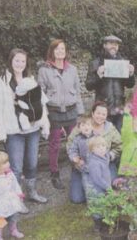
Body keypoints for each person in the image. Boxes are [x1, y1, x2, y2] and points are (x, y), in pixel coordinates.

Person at [0, 48, 50, 209]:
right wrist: (0, 132)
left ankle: (31, 193)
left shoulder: (30, 79)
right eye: (17, 60)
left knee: (32, 163)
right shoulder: (0, 82)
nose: (20, 64)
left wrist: (44, 124)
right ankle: (16, 200)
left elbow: (40, 103)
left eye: (23, 61)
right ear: (11, 61)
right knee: (16, 167)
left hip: (32, 130)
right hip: (13, 132)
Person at [38, 39, 85, 190]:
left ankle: (76, 168)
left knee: (74, 141)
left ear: (66, 51)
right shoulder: (44, 70)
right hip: (54, 111)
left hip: (71, 110)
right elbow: (40, 93)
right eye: (57, 49)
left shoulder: (72, 69)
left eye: (62, 49)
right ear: (52, 51)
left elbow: (77, 91)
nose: (60, 52)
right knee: (55, 144)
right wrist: (43, 115)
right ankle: (54, 173)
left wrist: (81, 111)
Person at [67, 101, 122, 203]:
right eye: (98, 113)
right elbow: (70, 145)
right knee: (77, 198)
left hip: (104, 164)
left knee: (112, 186)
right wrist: (77, 160)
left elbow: (119, 146)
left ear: (106, 116)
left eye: (103, 114)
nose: (100, 116)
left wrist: (109, 156)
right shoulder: (83, 126)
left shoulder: (109, 128)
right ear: (92, 113)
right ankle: (87, 186)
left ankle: (99, 188)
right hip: (83, 166)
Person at [85, 35, 135, 132]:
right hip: (102, 109)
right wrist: (98, 76)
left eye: (116, 44)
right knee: (102, 138)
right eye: (111, 44)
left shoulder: (123, 63)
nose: (114, 46)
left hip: (119, 108)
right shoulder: (95, 63)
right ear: (104, 45)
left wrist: (131, 74)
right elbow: (88, 86)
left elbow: (130, 84)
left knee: (118, 138)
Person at [84, 136, 113, 232]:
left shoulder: (104, 156)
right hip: (96, 189)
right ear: (92, 150)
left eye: (103, 146)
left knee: (104, 204)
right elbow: (97, 179)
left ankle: (105, 220)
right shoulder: (94, 163)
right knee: (97, 205)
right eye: (97, 147)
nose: (101, 149)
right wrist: (108, 187)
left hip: (103, 187)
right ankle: (98, 223)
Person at [67, 116, 94, 204]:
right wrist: (75, 158)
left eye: (88, 125)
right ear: (79, 128)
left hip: (95, 167)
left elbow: (103, 149)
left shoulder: (97, 137)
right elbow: (72, 150)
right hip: (82, 167)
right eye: (83, 125)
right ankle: (89, 201)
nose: (86, 127)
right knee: (86, 184)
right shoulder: (77, 139)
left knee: (96, 183)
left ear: (92, 126)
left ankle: (97, 198)